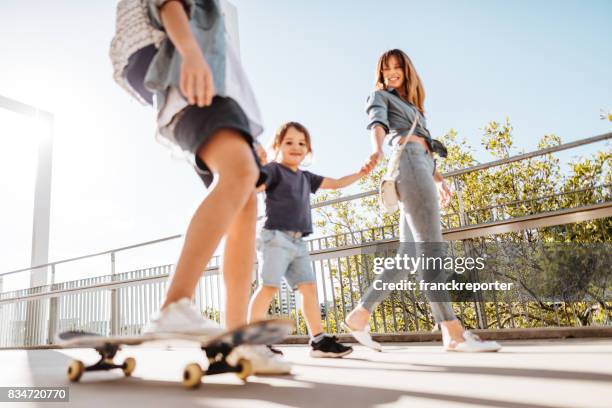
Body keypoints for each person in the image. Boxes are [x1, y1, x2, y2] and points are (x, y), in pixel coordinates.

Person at [110, 0, 289, 372]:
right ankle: (176, 303)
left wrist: (245, 134)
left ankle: (235, 337)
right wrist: (189, 51)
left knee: (244, 200)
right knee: (239, 177)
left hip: (217, 91)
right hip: (190, 76)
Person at [344, 49, 501, 352]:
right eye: (386, 68)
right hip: (409, 164)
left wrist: (438, 179)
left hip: (421, 167)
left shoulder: (414, 107)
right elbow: (377, 123)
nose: (391, 72)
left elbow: (425, 147)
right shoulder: (381, 96)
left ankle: (359, 315)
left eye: (396, 67)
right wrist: (376, 150)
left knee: (409, 256)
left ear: (407, 70)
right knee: (431, 249)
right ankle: (453, 333)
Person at [248, 122, 373, 358]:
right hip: (275, 237)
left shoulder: (306, 178)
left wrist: (361, 173)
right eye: (289, 142)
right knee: (269, 287)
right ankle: (252, 341)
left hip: (298, 242)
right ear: (277, 146)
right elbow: (253, 187)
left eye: (301, 143)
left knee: (309, 289)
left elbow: (336, 184)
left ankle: (319, 341)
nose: (296, 147)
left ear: (308, 149)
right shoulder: (274, 170)